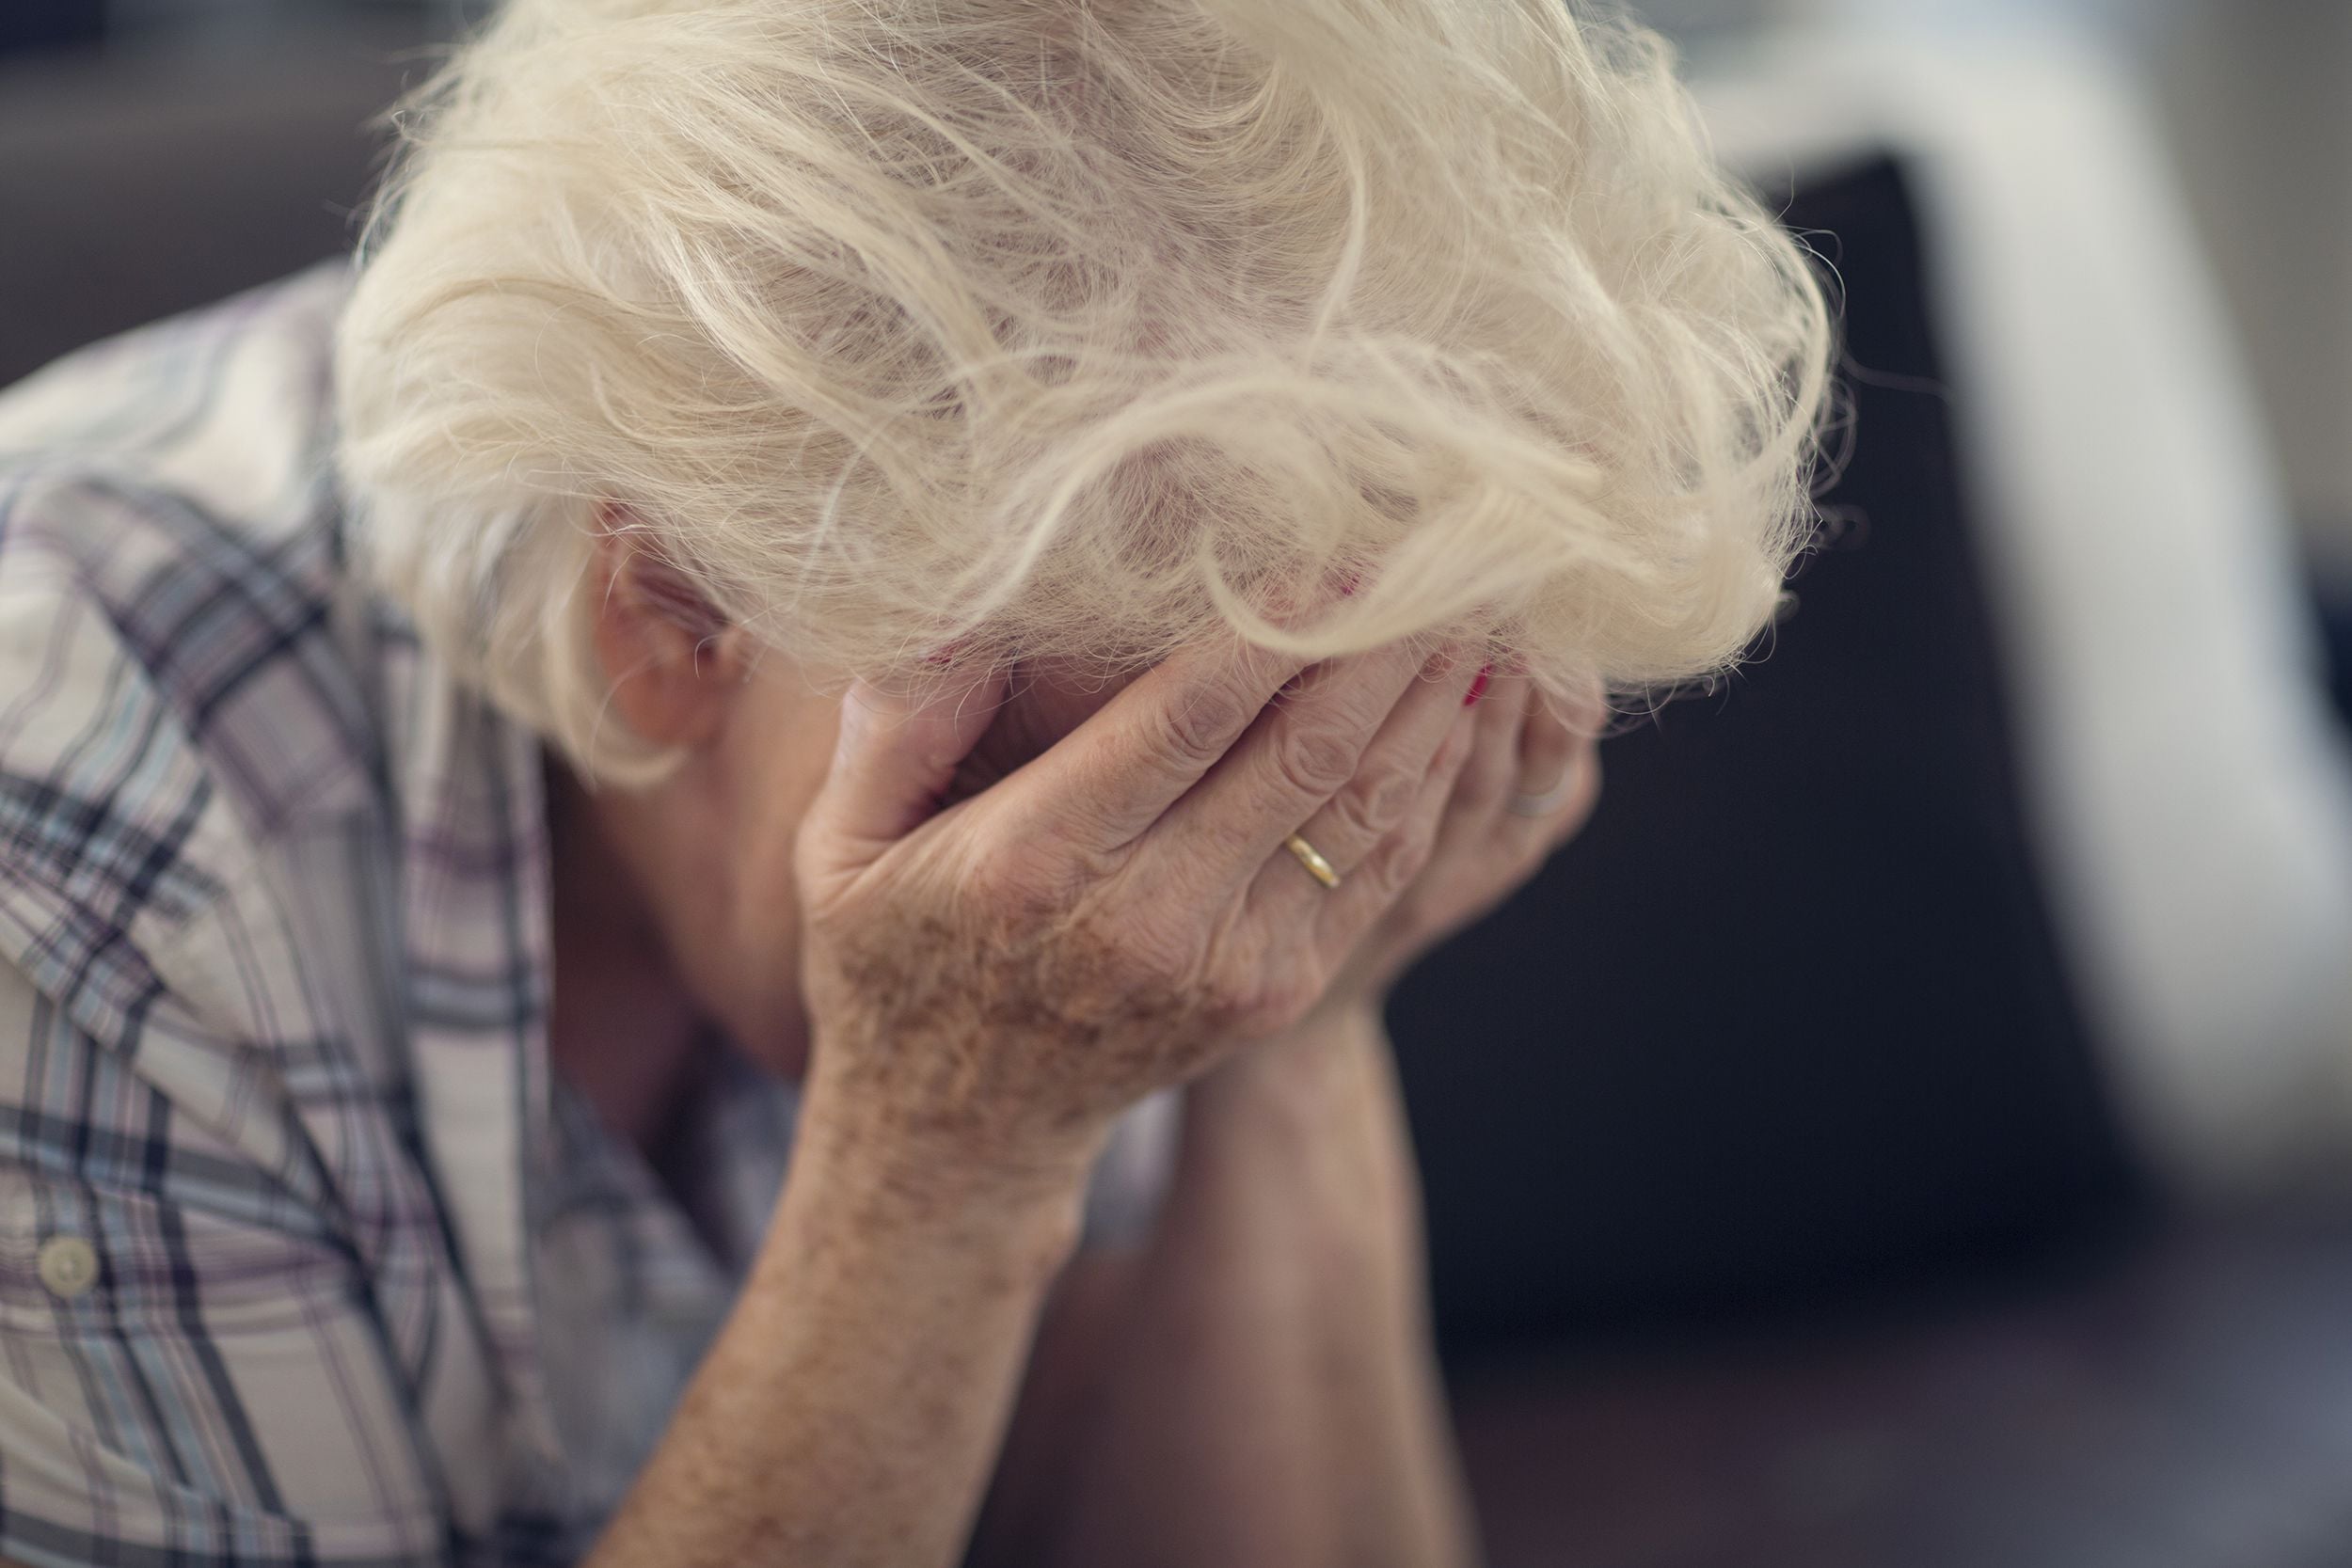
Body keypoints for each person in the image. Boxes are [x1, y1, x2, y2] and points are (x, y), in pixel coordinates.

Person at [0, 0, 1829, 1562]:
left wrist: (1297, 1029)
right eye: (1149, 784)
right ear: (675, 610)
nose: (1210, 909)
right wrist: (940, 1154)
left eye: (1332, 754)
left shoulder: (1163, 670)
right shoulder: (67, 852)